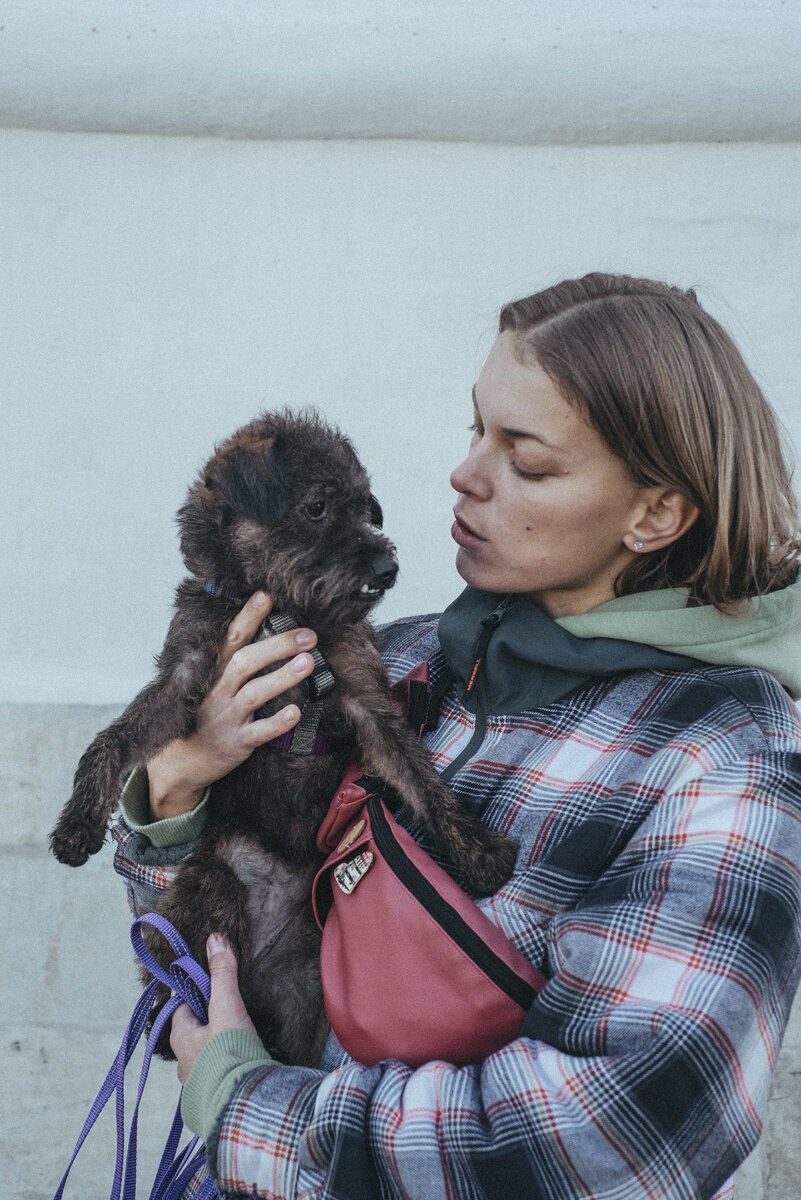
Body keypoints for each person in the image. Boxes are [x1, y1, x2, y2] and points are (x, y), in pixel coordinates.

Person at [113, 272, 801, 1200]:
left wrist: (247, 1107)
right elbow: (207, 959)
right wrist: (177, 797)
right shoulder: (393, 658)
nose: (464, 473)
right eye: (475, 428)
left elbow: (621, 1134)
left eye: (528, 460)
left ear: (654, 515)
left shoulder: (723, 747)